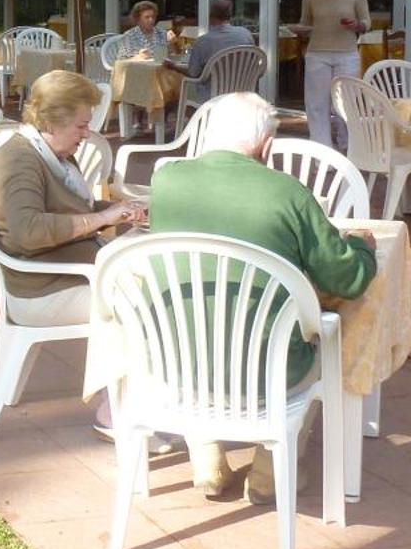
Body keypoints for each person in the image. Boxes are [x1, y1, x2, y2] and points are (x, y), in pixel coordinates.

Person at [146, 92, 378, 502]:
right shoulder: (288, 193)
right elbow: (348, 278)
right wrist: (364, 247)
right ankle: (271, 471)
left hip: (178, 363)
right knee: (324, 340)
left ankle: (207, 458)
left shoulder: (165, 181)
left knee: (206, 322)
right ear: (266, 144)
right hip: (270, 371)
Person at [0, 71, 147, 437]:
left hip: (62, 273)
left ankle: (139, 401)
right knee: (139, 305)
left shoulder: (50, 154)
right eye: (81, 126)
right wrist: (103, 217)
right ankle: (114, 410)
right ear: (53, 122)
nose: (86, 134)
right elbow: (29, 230)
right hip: (39, 290)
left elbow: (69, 209)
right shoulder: (20, 162)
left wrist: (120, 209)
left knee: (143, 288)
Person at [292, 0, 370, 149]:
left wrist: (356, 25)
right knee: (317, 105)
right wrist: (299, 29)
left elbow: (366, 22)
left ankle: (349, 147)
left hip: (346, 53)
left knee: (346, 103)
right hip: (317, 53)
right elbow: (305, 22)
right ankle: (322, 150)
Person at [169, 0, 254, 102]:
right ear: (230, 15)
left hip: (213, 96)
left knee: (186, 84)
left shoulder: (203, 41)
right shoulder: (246, 34)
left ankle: (192, 117)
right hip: (243, 93)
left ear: (210, 16)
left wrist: (173, 66)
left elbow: (193, 73)